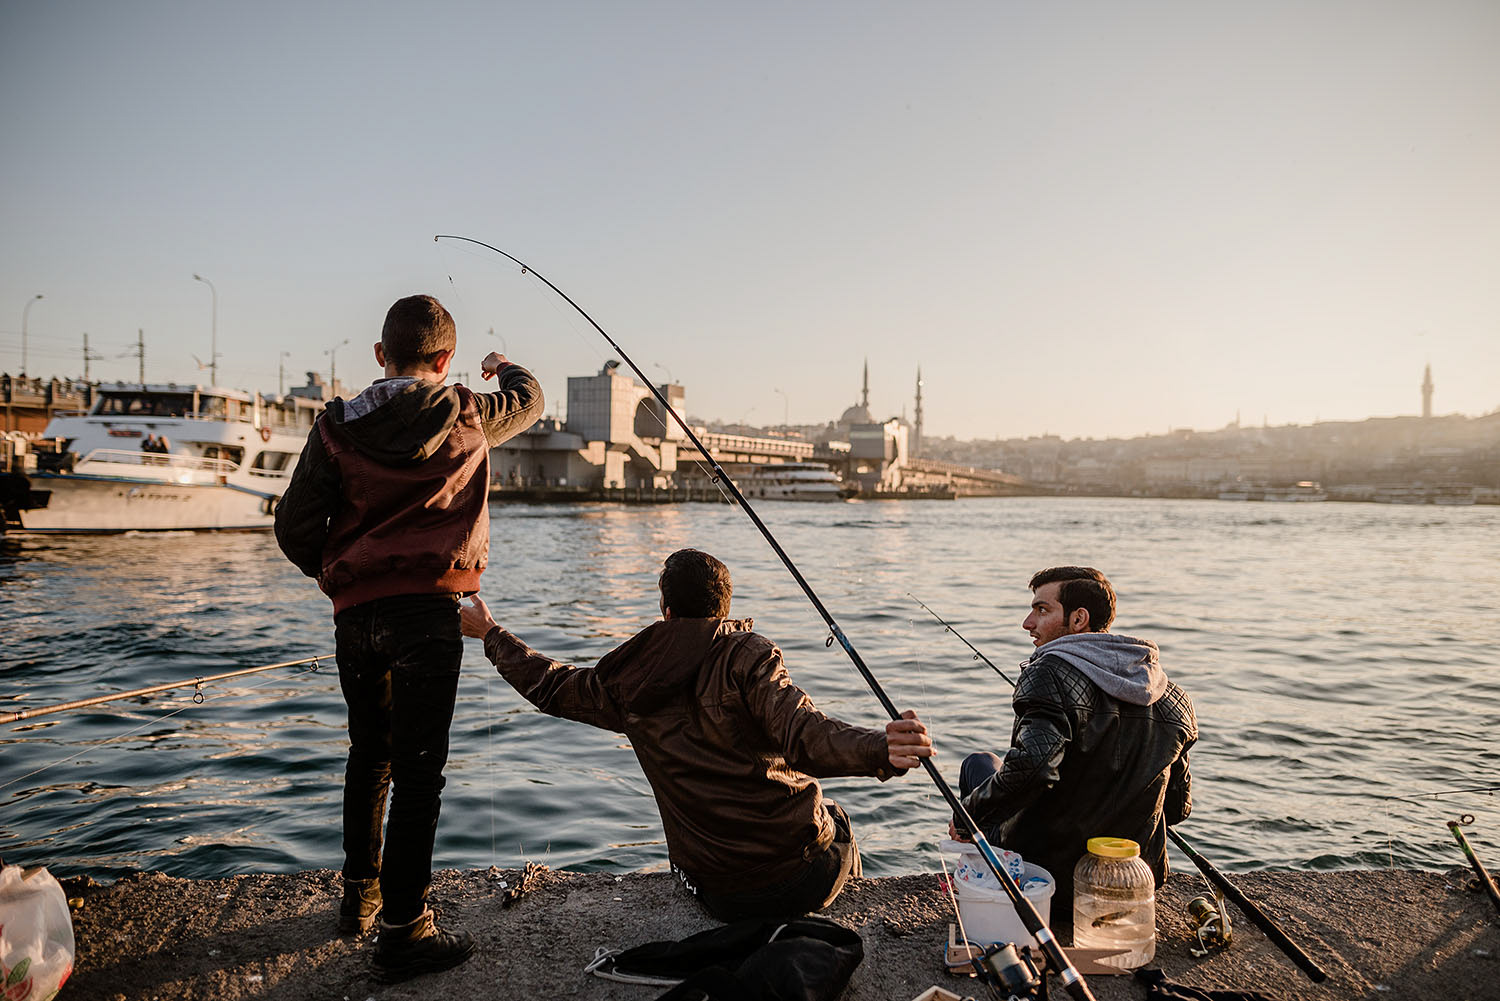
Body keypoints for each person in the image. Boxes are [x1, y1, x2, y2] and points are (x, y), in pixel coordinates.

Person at [274, 294, 543, 982]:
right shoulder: (470, 413)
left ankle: (358, 901)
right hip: (428, 614)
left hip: (356, 616)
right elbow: (531, 396)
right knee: (420, 769)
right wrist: (502, 364)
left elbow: (294, 526)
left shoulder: (335, 426)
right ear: (445, 360)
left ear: (379, 356)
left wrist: (339, 576)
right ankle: (404, 930)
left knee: (370, 755)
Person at [459, 548, 934, 922]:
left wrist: (490, 633)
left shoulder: (627, 678)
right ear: (724, 609)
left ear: (666, 609)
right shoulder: (748, 654)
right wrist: (879, 747)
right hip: (795, 879)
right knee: (837, 820)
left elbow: (552, 685)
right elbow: (802, 734)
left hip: (713, 890)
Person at [952, 566, 1196, 905]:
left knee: (977, 765)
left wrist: (967, 817)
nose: (1028, 623)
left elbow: (1034, 769)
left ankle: (988, 887)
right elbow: (1176, 808)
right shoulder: (1173, 697)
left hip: (1051, 883)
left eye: (1042, 610)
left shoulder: (1048, 672)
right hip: (1134, 882)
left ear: (1079, 619)